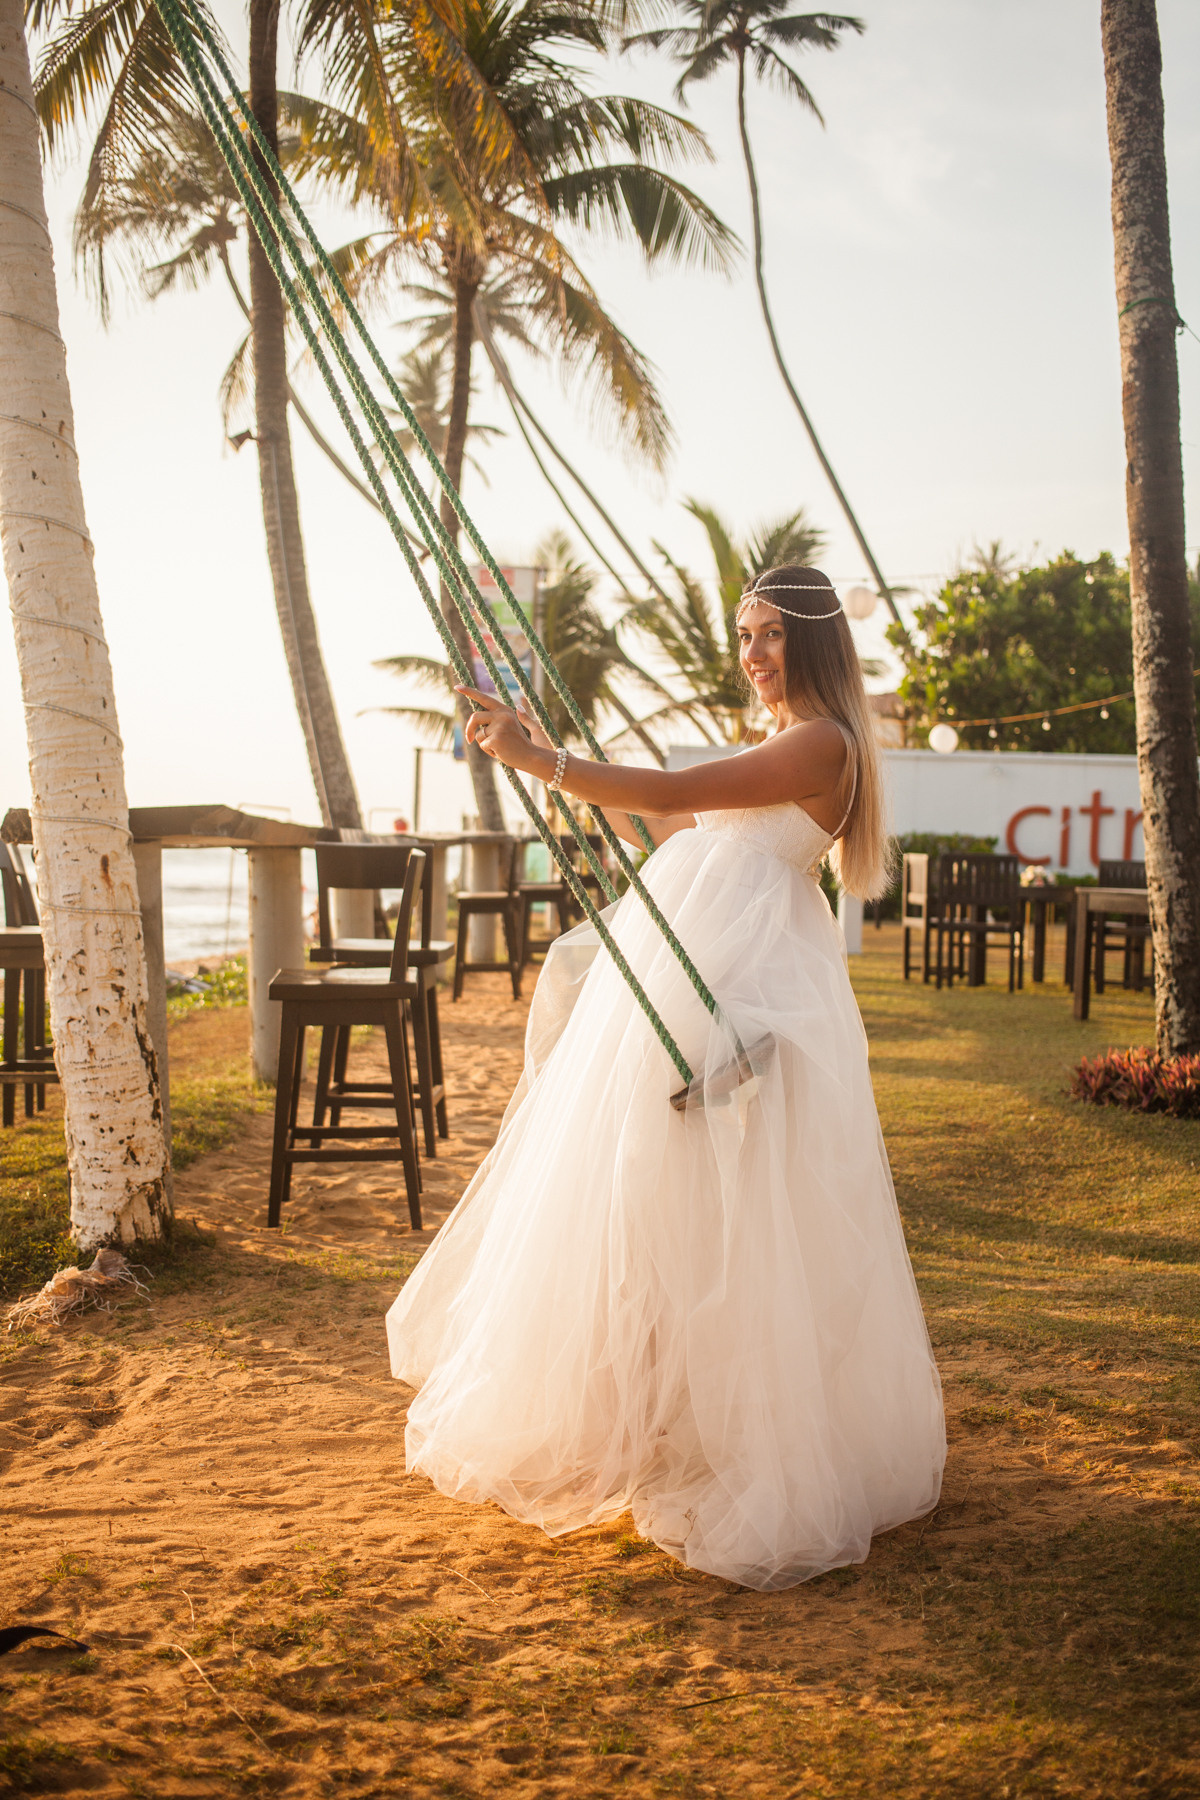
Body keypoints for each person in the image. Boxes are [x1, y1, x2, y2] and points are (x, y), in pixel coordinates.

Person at [386, 565, 945, 1591]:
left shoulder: (822, 743)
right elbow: (676, 825)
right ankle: (653, 1415)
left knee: (703, 1207)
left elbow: (674, 795)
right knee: (646, 1197)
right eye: (744, 634)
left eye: (772, 634)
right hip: (700, 972)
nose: (753, 653)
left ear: (818, 643)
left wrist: (540, 757)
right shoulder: (784, 742)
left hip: (741, 990)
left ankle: (720, 1430)